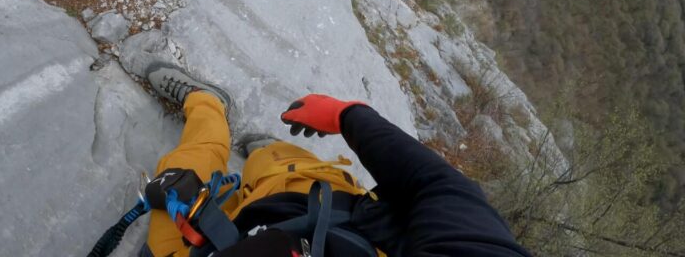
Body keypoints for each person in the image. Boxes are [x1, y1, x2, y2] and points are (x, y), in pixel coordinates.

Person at [141, 61, 532, 257]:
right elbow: (440, 187)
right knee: (273, 164)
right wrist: (348, 116)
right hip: (313, 211)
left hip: (213, 244)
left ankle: (210, 108)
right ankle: (253, 143)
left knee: (179, 180)